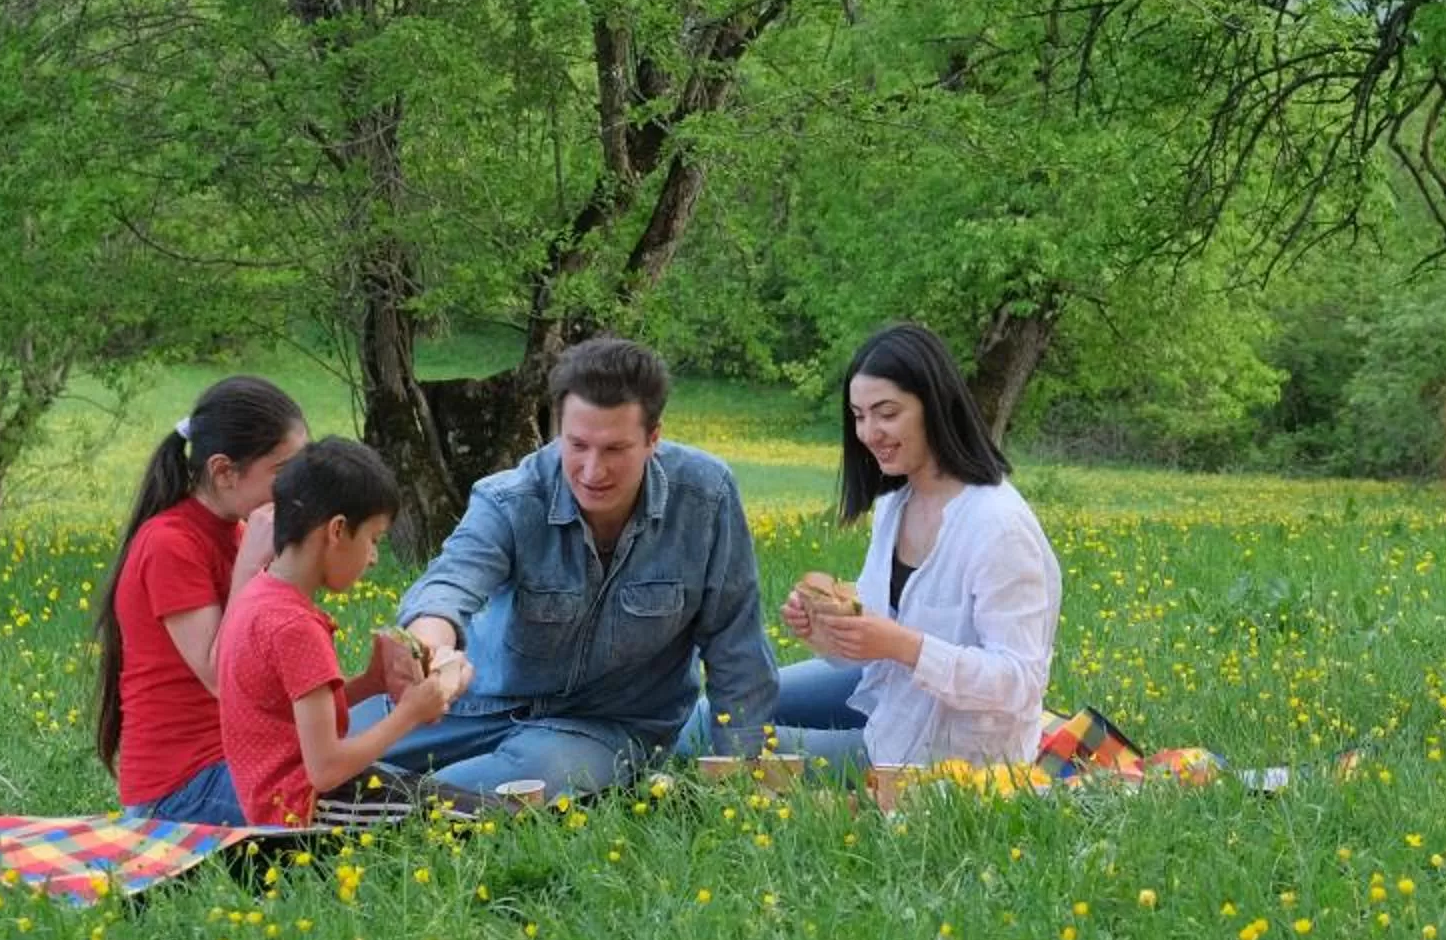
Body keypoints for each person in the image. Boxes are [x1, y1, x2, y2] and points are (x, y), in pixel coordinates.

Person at [385, 337, 776, 793]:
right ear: (557, 428)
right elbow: (447, 586)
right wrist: (433, 651)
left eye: (615, 450)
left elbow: (737, 643)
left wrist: (739, 777)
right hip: (475, 708)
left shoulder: (706, 496)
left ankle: (404, 807)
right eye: (578, 445)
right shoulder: (511, 498)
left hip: (609, 728)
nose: (592, 470)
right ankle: (389, 794)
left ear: (653, 437)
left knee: (528, 777)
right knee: (323, 748)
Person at [749, 322, 1061, 769]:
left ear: (934, 406)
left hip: (945, 754)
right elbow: (882, 628)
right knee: (722, 707)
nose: (869, 432)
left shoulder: (998, 526)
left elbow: (1020, 681)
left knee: (716, 736)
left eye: (887, 413)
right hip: (890, 692)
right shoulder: (897, 503)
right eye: (859, 416)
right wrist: (827, 632)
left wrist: (904, 646)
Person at [219, 440, 473, 827]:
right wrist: (409, 713)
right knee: (480, 822)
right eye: (373, 539)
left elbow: (289, 713)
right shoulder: (294, 626)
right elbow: (325, 770)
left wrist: (371, 683)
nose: (373, 558)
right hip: (308, 808)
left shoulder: (259, 596)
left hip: (280, 802)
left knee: (450, 802)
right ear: (337, 530)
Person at [93, 376, 307, 822]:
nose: (296, 491)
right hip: (180, 789)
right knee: (362, 813)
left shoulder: (241, 533)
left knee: (380, 786)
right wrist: (250, 567)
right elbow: (219, 675)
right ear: (224, 472)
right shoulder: (170, 543)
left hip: (236, 760)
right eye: (284, 474)